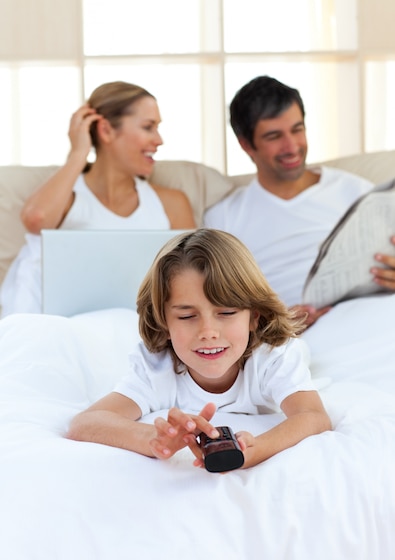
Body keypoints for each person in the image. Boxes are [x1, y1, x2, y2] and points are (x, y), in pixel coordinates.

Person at [67, 229, 331, 470]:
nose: (208, 332)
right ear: (164, 322)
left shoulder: (275, 354)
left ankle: (301, 317)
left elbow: (313, 416)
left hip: (274, 342)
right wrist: (154, 439)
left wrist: (258, 449)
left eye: (226, 312)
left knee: (296, 338)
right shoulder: (156, 367)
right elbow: (85, 423)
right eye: (186, 316)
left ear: (254, 316)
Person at [204, 75, 395, 327]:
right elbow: (217, 308)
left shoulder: (357, 192)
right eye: (274, 136)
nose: (292, 146)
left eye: (297, 129)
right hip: (296, 333)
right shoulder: (224, 219)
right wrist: (275, 323)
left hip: (376, 311)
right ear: (246, 145)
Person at [0, 81, 196, 316]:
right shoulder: (68, 200)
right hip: (71, 326)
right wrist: (78, 153)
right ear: (106, 131)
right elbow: (36, 219)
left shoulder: (171, 203)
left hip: (140, 327)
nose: (159, 140)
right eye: (148, 127)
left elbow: (191, 279)